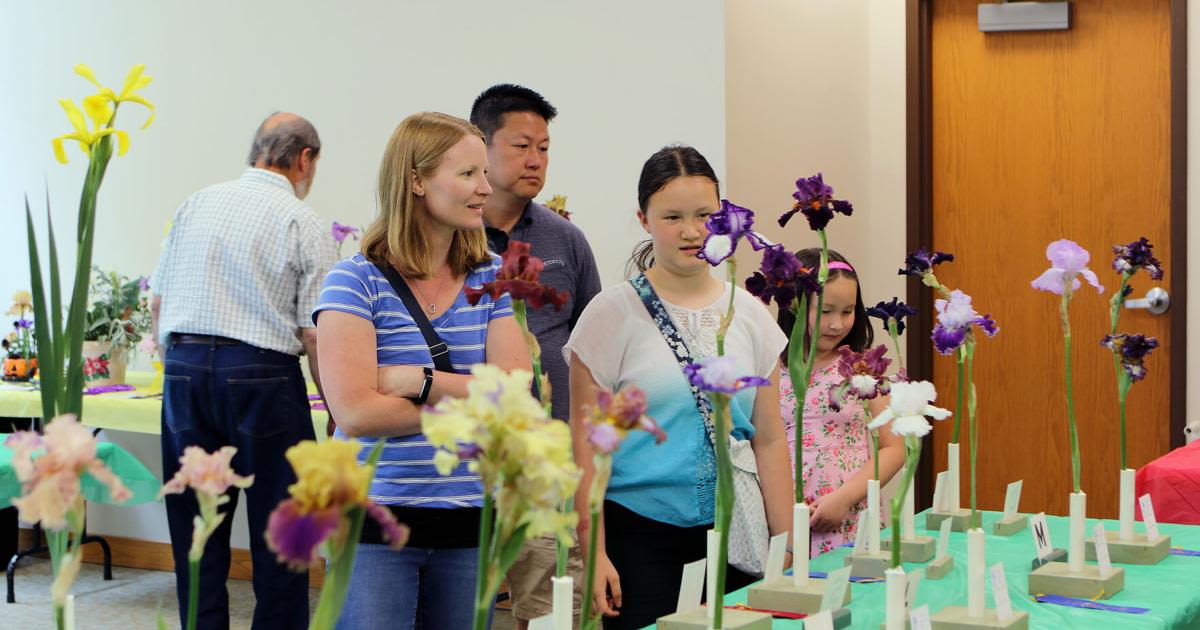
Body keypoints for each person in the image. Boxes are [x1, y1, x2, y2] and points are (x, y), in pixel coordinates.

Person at [312, 111, 529, 630]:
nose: (486, 187)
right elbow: (357, 413)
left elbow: (519, 397)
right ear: (415, 179)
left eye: (484, 173)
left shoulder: (489, 277)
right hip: (372, 522)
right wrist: (474, 404)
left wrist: (420, 382)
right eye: (468, 174)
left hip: (468, 522)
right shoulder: (354, 281)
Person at [564, 146, 794, 629]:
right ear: (644, 220)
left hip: (737, 531)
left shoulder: (749, 313)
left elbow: (769, 438)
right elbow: (586, 446)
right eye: (672, 217)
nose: (692, 231)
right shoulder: (611, 315)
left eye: (705, 215)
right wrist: (594, 553)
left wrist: (786, 542)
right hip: (638, 536)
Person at [150, 112, 335, 630]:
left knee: (196, 528)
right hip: (261, 374)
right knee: (281, 529)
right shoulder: (302, 220)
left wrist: (179, 372)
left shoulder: (196, 203)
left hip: (184, 369)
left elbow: (158, 303)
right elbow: (316, 330)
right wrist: (335, 404)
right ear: (304, 159)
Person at [470, 83, 600, 628]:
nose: (535, 160)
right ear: (481, 145)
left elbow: (592, 346)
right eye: (521, 145)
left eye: (544, 148)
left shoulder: (563, 239)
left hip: (544, 459)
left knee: (549, 609)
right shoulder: (451, 234)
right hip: (463, 453)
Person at [777, 249, 904, 557]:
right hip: (787, 524)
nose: (836, 324)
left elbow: (894, 447)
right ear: (794, 306)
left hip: (851, 520)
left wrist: (845, 498)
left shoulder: (862, 369)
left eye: (847, 311)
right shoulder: (768, 370)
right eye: (825, 311)